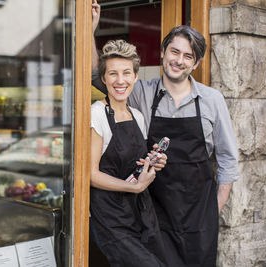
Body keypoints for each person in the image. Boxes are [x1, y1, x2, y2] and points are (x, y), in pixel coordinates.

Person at [91, 1, 240, 266]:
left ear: (195, 63)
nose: (179, 61)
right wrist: (91, 31)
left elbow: (228, 158)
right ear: (162, 52)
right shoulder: (141, 92)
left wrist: (213, 211)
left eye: (188, 56)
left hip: (199, 216)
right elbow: (99, 76)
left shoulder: (212, 100)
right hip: (155, 214)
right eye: (175, 52)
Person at [90, 39, 167, 267]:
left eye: (126, 73)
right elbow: (91, 174)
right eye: (113, 74)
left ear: (135, 76)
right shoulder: (96, 114)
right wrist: (133, 186)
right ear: (104, 78)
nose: (120, 80)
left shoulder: (137, 116)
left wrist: (152, 164)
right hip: (110, 217)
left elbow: (135, 164)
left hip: (139, 211)